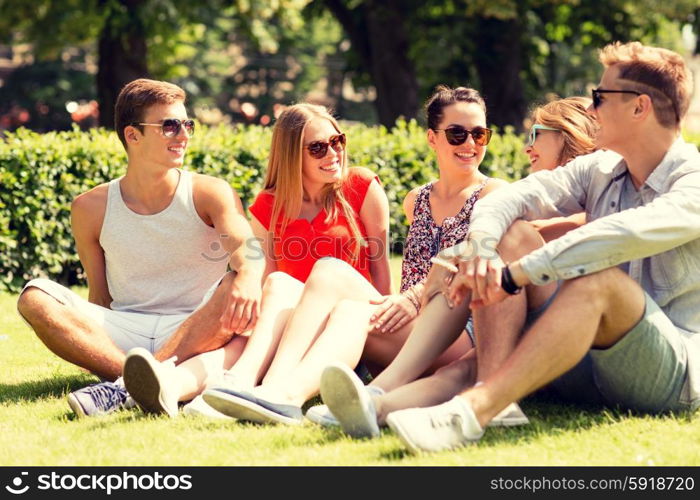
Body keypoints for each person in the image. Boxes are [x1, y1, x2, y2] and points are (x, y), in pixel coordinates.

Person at [382, 41, 700, 454]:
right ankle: (470, 400)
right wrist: (480, 250)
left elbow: (618, 236)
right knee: (510, 232)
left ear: (640, 107)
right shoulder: (600, 169)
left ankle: (474, 408)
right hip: (587, 357)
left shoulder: (691, 182)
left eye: (601, 96)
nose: (590, 107)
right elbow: (509, 198)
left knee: (599, 281)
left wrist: (515, 276)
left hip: (667, 373)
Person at [196, 87, 503, 424]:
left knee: (330, 271)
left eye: (480, 133)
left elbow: (469, 259)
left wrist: (413, 298)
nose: (470, 144)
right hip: (408, 326)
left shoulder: (494, 194)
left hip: (458, 330)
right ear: (432, 138)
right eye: (458, 133)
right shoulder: (416, 200)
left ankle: (277, 390)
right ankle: (277, 393)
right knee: (337, 303)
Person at [317, 96, 597, 438]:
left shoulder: (574, 216)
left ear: (568, 136)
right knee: (453, 376)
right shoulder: (424, 200)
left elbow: (514, 244)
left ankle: (355, 392)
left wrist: (431, 281)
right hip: (484, 330)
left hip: (502, 333)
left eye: (536, 133)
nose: (527, 148)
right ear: (432, 137)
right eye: (457, 134)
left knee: (352, 314)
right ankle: (374, 405)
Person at [120, 102, 397, 419]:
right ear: (293, 155)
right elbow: (270, 285)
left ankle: (235, 386)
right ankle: (173, 386)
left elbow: (381, 276)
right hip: (296, 323)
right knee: (252, 327)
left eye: (338, 141)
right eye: (318, 148)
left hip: (351, 324)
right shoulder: (269, 205)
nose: (333, 154)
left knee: (275, 308)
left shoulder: (360, 185)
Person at [15, 78, 264, 418]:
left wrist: (249, 276)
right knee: (35, 297)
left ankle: (119, 389)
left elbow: (247, 248)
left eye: (187, 124)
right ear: (133, 135)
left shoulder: (210, 192)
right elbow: (99, 297)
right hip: (126, 329)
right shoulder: (90, 207)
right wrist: (92, 344)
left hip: (196, 329)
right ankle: (135, 377)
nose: (184, 135)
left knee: (239, 278)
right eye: (170, 126)